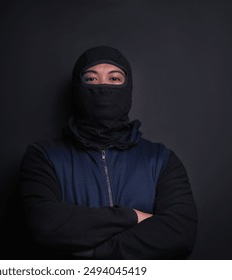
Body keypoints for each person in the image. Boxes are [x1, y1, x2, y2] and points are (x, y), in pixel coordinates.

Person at [19, 46, 197, 259]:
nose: (103, 87)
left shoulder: (160, 159)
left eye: (114, 79)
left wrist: (97, 254)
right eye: (91, 79)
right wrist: (131, 216)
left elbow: (180, 234)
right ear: (77, 88)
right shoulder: (44, 156)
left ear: (128, 87)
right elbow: (45, 225)